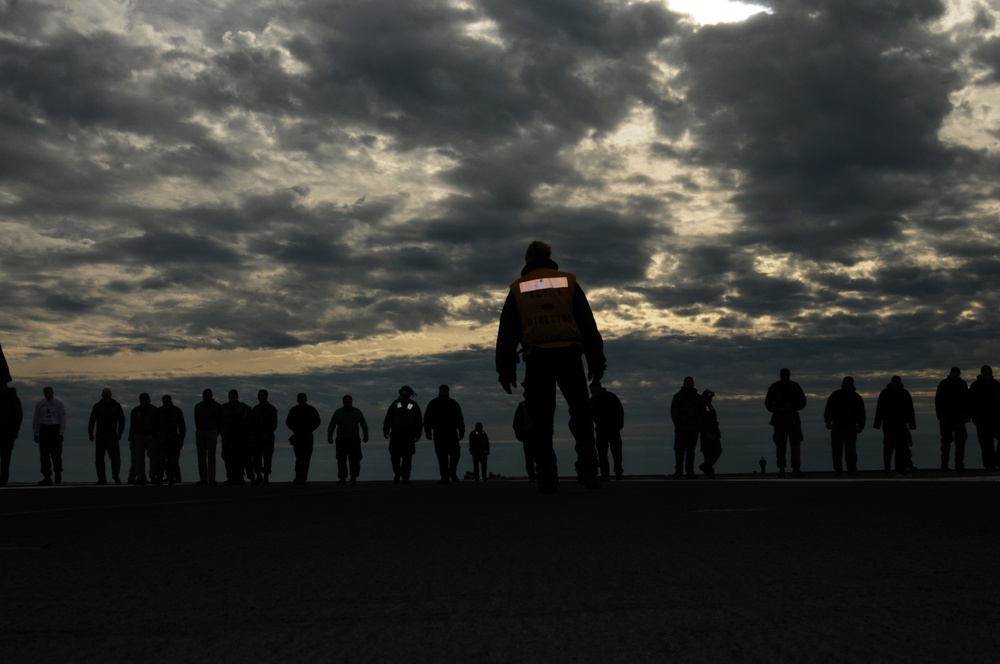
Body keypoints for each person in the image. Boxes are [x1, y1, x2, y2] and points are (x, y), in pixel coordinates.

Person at [495, 240, 605, 493]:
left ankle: (547, 478)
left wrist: (505, 369)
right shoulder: (568, 283)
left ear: (527, 260)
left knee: (541, 422)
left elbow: (507, 333)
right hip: (570, 356)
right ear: (549, 257)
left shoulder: (518, 289)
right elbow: (588, 325)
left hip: (536, 360)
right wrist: (596, 360)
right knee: (582, 416)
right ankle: (588, 471)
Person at [765, 368, 807, 478]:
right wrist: (778, 409)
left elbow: (802, 402)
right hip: (781, 420)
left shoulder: (793, 386)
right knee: (782, 445)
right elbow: (768, 404)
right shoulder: (776, 387)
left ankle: (792, 469)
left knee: (793, 445)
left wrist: (792, 407)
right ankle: (784, 469)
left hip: (791, 419)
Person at [873, 375, 916, 475]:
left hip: (901, 424)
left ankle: (901, 468)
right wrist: (877, 423)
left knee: (901, 447)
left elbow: (910, 410)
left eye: (897, 382)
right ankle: (887, 468)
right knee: (888, 446)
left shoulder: (905, 394)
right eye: (895, 382)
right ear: (891, 383)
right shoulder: (885, 393)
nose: (896, 384)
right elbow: (879, 409)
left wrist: (912, 424)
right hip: (888, 424)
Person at [823, 376, 866, 476]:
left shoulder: (856, 397)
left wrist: (860, 426)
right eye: (846, 384)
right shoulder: (836, 395)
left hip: (850, 427)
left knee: (850, 450)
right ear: (843, 384)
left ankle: (851, 469)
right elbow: (829, 409)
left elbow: (861, 413)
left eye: (849, 384)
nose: (847, 386)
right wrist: (828, 421)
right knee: (837, 450)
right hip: (837, 427)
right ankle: (839, 470)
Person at [424, 384, 466, 484]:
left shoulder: (453, 403)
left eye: (445, 390)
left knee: (455, 454)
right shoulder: (433, 403)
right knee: (442, 456)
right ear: (439, 391)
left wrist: (461, 430)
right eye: (442, 390)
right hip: (439, 432)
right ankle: (444, 476)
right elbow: (427, 419)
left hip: (452, 432)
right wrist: (428, 431)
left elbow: (459, 418)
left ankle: (452, 472)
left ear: (448, 391)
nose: (444, 392)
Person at [383, 386, 422, 484]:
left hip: (408, 434)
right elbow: (389, 418)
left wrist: (418, 434)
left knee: (407, 457)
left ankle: (404, 476)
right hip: (397, 434)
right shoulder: (395, 404)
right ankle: (398, 473)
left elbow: (418, 421)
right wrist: (386, 429)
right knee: (395, 456)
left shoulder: (413, 405)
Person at [327, 395, 369, 484]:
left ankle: (353, 477)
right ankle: (342, 477)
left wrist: (366, 435)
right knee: (341, 459)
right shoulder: (338, 412)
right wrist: (329, 436)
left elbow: (363, 424)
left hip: (354, 438)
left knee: (355, 459)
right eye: (345, 402)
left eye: (348, 402)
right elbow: (332, 425)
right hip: (341, 439)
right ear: (343, 402)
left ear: (351, 402)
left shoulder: (357, 412)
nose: (347, 404)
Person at [87, 387, 126, 485]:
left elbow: (122, 420)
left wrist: (120, 432)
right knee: (99, 458)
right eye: (106, 395)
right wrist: (90, 432)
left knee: (115, 458)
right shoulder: (97, 406)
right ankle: (102, 479)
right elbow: (92, 420)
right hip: (100, 435)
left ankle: (116, 476)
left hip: (112, 434)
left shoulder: (116, 406)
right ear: (102, 395)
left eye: (109, 395)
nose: (107, 397)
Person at [935, 367, 970, 471]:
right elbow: (938, 401)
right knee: (946, 441)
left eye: (957, 373)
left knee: (960, 441)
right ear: (951, 373)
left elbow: (967, 401)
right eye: (954, 373)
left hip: (958, 417)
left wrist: (967, 416)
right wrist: (941, 416)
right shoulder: (944, 384)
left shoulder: (962, 384)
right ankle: (945, 464)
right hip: (946, 418)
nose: (956, 375)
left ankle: (959, 464)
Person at [590, 381, 625, 481]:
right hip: (601, 429)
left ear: (597, 388)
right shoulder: (593, 400)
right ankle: (605, 474)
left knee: (616, 452)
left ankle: (618, 473)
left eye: (592, 390)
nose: (591, 392)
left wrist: (619, 425)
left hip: (613, 428)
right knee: (602, 453)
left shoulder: (611, 397)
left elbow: (619, 410)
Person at [968, 365, 1000, 471]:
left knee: (988, 443)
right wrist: (975, 418)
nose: (989, 374)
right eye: (987, 372)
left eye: (990, 372)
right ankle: (989, 465)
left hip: (996, 418)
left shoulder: (996, 384)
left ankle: (996, 461)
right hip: (982, 419)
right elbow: (972, 403)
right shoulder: (976, 386)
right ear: (982, 373)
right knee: (986, 444)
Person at [32, 386, 66, 485]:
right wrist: (35, 433)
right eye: (45, 392)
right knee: (44, 456)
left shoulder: (59, 404)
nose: (47, 394)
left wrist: (61, 433)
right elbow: (36, 419)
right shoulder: (40, 404)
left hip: (55, 429)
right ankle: (47, 477)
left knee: (56, 455)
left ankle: (58, 473)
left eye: (49, 392)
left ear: (52, 392)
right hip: (44, 430)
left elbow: (63, 419)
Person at [670, 377, 702, 479]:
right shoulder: (678, 397)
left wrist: (697, 426)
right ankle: (679, 471)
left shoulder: (698, 398)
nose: (690, 385)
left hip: (693, 430)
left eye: (691, 383)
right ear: (684, 384)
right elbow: (674, 413)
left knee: (690, 452)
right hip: (681, 430)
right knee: (679, 452)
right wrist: (679, 425)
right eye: (688, 384)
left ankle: (690, 472)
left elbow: (701, 413)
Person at [286, 393, 321, 484]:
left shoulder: (311, 410)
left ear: (306, 400)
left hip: (308, 436)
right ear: (298, 400)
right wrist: (295, 430)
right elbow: (288, 422)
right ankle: (298, 476)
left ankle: (303, 477)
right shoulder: (294, 410)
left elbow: (317, 422)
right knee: (299, 457)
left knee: (306, 457)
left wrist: (309, 429)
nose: (301, 401)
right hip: (298, 437)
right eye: (300, 399)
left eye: (302, 399)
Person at [219, 389, 252, 485]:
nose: (232, 398)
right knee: (227, 458)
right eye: (231, 396)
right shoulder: (224, 407)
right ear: (228, 397)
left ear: (237, 396)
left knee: (240, 458)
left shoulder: (243, 407)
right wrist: (222, 432)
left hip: (239, 438)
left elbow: (249, 414)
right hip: (227, 437)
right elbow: (220, 421)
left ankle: (240, 477)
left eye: (234, 396)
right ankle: (230, 477)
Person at [155, 395, 186, 485]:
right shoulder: (159, 411)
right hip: (162, 440)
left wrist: (181, 439)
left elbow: (182, 427)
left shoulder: (176, 411)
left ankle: (171, 477)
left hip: (173, 440)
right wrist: (156, 438)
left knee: (172, 460)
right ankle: (160, 477)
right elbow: (155, 426)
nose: (166, 403)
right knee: (161, 460)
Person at [193, 388, 222, 485]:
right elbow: (196, 420)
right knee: (201, 456)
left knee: (211, 456)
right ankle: (204, 479)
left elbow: (219, 421)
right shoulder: (198, 406)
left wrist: (216, 431)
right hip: (201, 431)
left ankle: (211, 478)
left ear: (211, 395)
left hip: (211, 431)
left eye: (207, 395)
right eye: (204, 395)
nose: (205, 397)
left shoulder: (217, 407)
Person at [126, 393, 157, 485]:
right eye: (142, 400)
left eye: (145, 399)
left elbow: (158, 424)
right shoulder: (135, 411)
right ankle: (141, 477)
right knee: (138, 458)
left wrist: (156, 436)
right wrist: (132, 438)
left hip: (151, 436)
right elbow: (133, 426)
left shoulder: (155, 410)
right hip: (139, 436)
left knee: (153, 457)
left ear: (149, 400)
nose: (144, 401)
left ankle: (153, 476)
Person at [250, 389, 278, 485]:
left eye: (261, 395)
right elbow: (252, 424)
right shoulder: (255, 409)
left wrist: (267, 434)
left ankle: (266, 476)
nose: (259, 397)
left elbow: (274, 424)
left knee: (267, 457)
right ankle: (258, 475)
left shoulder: (272, 409)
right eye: (258, 395)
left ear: (266, 396)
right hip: (257, 437)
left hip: (268, 438)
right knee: (256, 457)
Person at [0, 384, 23, 486]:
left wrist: (14, 431)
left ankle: (3, 479)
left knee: (6, 458)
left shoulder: (13, 399)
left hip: (8, 433)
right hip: (8, 432)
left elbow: (18, 416)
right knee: (5, 458)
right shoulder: (13, 399)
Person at [512, 392, 536, 482]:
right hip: (529, 433)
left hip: (530, 433)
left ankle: (533, 475)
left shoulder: (522, 406)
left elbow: (516, 423)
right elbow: (516, 423)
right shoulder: (523, 406)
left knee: (530, 456)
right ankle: (533, 475)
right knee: (531, 455)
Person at [698, 389, 722, 478]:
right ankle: (708, 470)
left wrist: (717, 431)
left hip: (713, 433)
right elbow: (703, 422)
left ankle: (707, 469)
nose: (710, 399)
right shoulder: (702, 407)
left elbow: (714, 420)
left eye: (711, 397)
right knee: (709, 453)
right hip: (707, 434)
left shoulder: (710, 407)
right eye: (709, 397)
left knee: (715, 451)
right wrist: (708, 433)